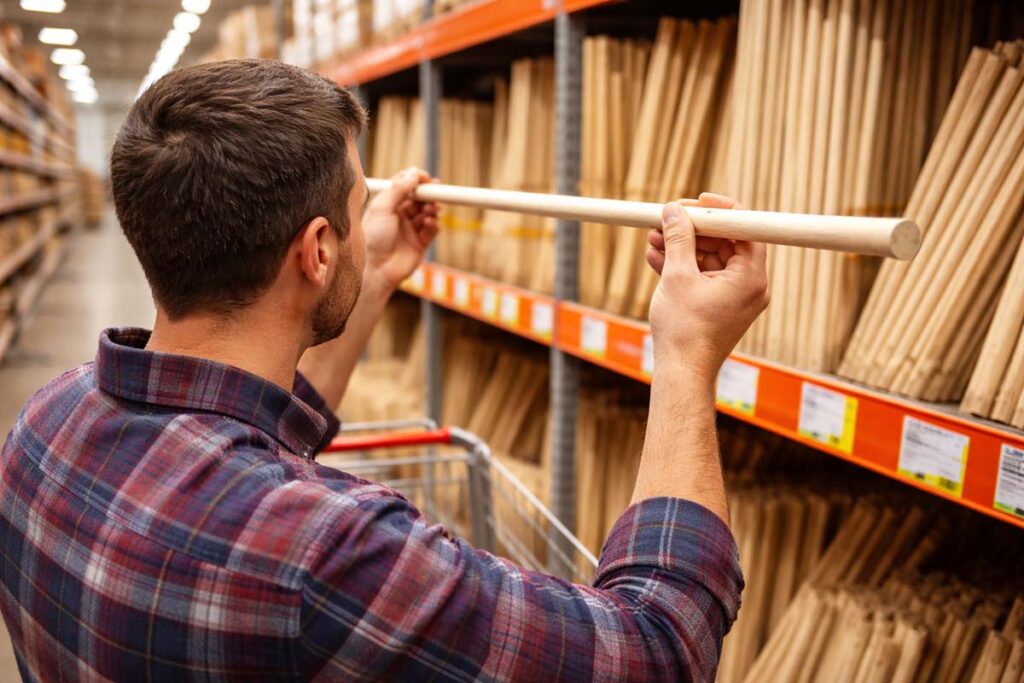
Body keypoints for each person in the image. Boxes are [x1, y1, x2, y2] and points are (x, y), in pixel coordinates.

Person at [0, 60, 767, 681]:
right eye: (357, 202)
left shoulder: (45, 423)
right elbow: (657, 652)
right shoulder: (333, 552)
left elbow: (247, 431)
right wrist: (686, 353)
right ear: (317, 249)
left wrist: (370, 277)